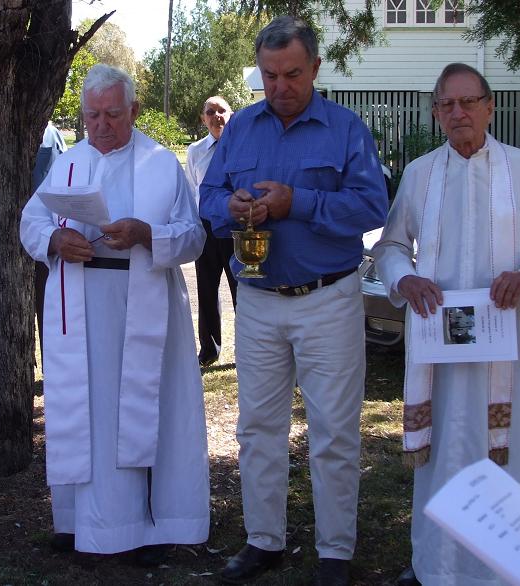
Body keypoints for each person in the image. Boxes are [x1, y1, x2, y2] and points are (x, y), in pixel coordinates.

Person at [372, 63, 520, 586]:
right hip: (438, 351)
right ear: (437, 112)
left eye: (469, 102)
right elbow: (391, 246)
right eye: (447, 104)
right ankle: (438, 565)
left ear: (489, 105)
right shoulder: (419, 174)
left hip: (499, 349)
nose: (459, 113)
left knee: (508, 459)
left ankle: (510, 570)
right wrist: (406, 281)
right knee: (444, 454)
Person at [200, 16, 388, 586]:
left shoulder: (345, 128)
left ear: (315, 68)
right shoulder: (241, 129)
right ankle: (264, 540)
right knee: (257, 427)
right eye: (269, 75)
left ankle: (335, 551)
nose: (280, 86)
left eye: (292, 74)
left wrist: (296, 203)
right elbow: (207, 196)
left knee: (333, 429)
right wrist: (228, 208)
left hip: (327, 297)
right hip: (256, 299)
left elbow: (371, 208)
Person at [20, 63, 210, 565]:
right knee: (88, 413)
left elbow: (194, 236)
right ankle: (81, 523)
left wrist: (148, 234)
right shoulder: (68, 162)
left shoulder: (160, 163)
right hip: (79, 307)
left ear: (135, 111)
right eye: (92, 116)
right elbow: (31, 220)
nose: (101, 126)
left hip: (142, 306)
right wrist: (56, 239)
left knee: (143, 411)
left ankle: (148, 526)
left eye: (112, 114)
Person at [186, 96, 238, 367]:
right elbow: (192, 190)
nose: (216, 116)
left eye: (221, 111)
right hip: (205, 230)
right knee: (206, 290)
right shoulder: (195, 151)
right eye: (210, 112)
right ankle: (209, 349)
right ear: (203, 118)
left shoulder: (241, 147)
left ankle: (248, 349)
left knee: (242, 288)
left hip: (236, 228)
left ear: (231, 115)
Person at [31, 120, 67, 360]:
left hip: (44, 229)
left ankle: (49, 359)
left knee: (47, 303)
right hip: (30, 226)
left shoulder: (50, 133)